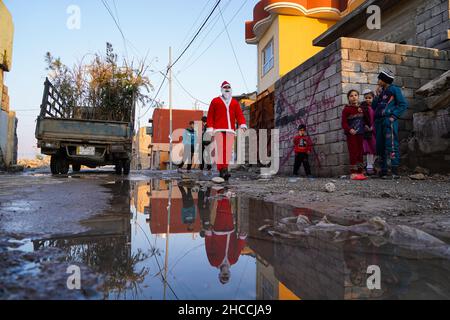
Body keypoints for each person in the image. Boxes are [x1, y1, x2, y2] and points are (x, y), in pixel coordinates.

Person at [204, 188, 247, 285]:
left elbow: (208, 248)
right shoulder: (233, 260)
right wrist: (241, 237)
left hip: (218, 233)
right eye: (227, 276)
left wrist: (208, 234)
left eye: (223, 276)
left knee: (222, 212)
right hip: (231, 232)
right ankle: (224, 193)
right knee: (228, 213)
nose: (225, 274)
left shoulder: (214, 262)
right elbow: (238, 248)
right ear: (230, 274)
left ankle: (224, 194)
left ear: (219, 275)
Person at [206, 81, 247, 181]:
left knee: (228, 151)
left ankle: (225, 169)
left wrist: (242, 124)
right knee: (221, 151)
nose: (227, 88)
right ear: (222, 89)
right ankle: (222, 170)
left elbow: (239, 114)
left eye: (229, 87)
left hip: (230, 130)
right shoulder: (215, 101)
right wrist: (210, 127)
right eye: (225, 87)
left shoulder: (234, 102)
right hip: (218, 129)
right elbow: (210, 115)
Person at [372, 71, 409, 179]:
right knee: (380, 145)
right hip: (379, 122)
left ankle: (393, 170)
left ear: (385, 80)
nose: (378, 81)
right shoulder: (381, 92)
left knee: (391, 144)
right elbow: (374, 107)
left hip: (389, 121)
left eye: (379, 79)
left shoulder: (394, 89)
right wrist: (376, 96)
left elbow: (403, 104)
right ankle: (384, 170)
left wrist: (393, 116)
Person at [342, 90, 369, 181]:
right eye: (351, 96)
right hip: (352, 134)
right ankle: (353, 173)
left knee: (360, 152)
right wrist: (350, 129)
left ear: (358, 96)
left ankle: (360, 172)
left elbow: (365, 119)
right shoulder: (346, 109)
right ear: (348, 98)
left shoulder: (361, 108)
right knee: (353, 152)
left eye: (356, 95)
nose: (354, 97)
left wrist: (365, 125)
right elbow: (344, 123)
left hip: (360, 133)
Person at [361, 89, 377, 175]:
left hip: (375, 130)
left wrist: (373, 126)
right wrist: (365, 126)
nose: (368, 99)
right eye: (366, 98)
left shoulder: (375, 107)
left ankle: (372, 164)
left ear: (373, 98)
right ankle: (369, 166)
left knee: (376, 148)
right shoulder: (363, 108)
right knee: (369, 149)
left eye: (370, 98)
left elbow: (377, 118)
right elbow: (361, 118)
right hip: (367, 131)